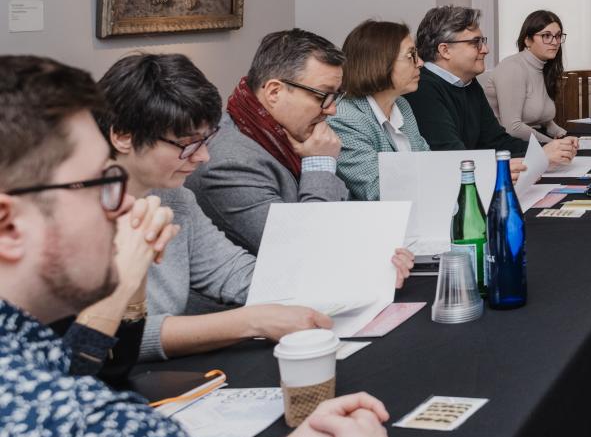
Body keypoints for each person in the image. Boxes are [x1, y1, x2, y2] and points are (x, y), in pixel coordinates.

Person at [0, 55, 402, 437]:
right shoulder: (71, 422)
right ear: (10, 224)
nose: (121, 206)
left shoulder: (35, 367)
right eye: (98, 184)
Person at [96, 53, 412, 362]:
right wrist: (251, 322)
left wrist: (367, 275)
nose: (203, 156)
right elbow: (107, 339)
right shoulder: (81, 216)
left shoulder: (175, 198)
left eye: (205, 140)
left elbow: (240, 275)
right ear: (123, 137)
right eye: (188, 144)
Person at [187, 29, 348, 254]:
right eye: (322, 96)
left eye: (335, 96)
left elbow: (342, 213)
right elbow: (305, 250)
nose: (332, 110)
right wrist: (320, 163)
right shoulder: (228, 164)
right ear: (274, 92)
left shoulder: (286, 135)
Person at [407, 6, 576, 167]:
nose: (486, 49)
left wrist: (547, 150)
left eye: (483, 41)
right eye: (476, 43)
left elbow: (497, 141)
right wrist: (539, 155)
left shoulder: (468, 83)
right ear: (445, 50)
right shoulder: (422, 89)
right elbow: (453, 158)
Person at [330, 21, 430, 201]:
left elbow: (430, 165)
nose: (421, 63)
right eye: (411, 55)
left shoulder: (402, 105)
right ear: (379, 62)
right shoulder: (343, 119)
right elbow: (378, 191)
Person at [482, 10, 575, 145]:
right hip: (505, 145)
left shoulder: (543, 67)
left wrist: (564, 135)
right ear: (527, 40)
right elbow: (513, 128)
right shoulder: (513, 68)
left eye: (558, 36)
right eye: (546, 36)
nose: (555, 42)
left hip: (530, 142)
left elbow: (543, 121)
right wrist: (552, 144)